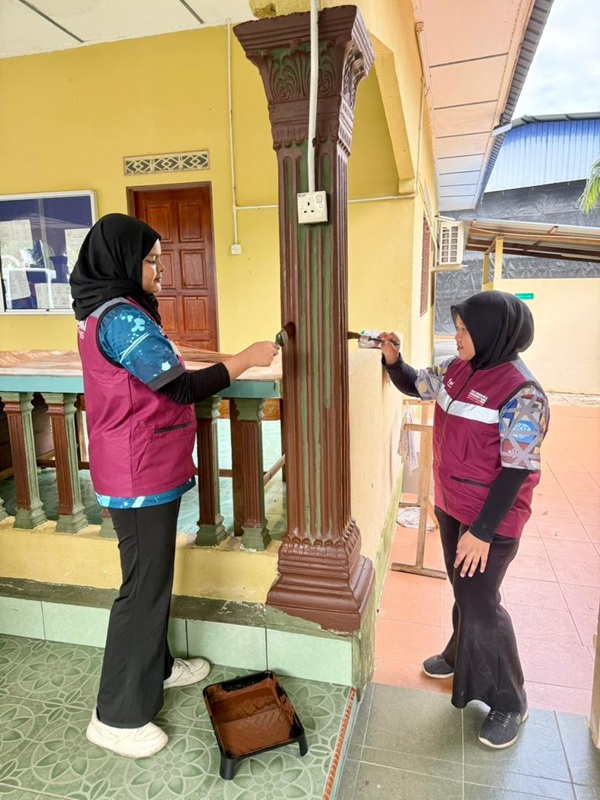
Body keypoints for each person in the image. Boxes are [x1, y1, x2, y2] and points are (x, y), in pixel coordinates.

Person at [70, 213, 279, 758]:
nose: (160, 270)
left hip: (142, 466)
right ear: (123, 261)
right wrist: (245, 359)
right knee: (142, 590)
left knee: (152, 581)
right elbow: (181, 387)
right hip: (136, 473)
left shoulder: (110, 308)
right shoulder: (120, 318)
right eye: (151, 260)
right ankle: (116, 717)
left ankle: (157, 667)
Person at [379, 290, 549, 749]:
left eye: (464, 329)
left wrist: (483, 532)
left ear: (492, 333)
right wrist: (394, 361)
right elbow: (417, 385)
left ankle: (511, 701)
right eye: (455, 327)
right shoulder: (456, 368)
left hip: (490, 522)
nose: (455, 336)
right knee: (464, 590)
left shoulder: (522, 393)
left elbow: (516, 470)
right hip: (452, 505)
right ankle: (458, 654)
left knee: (481, 603)